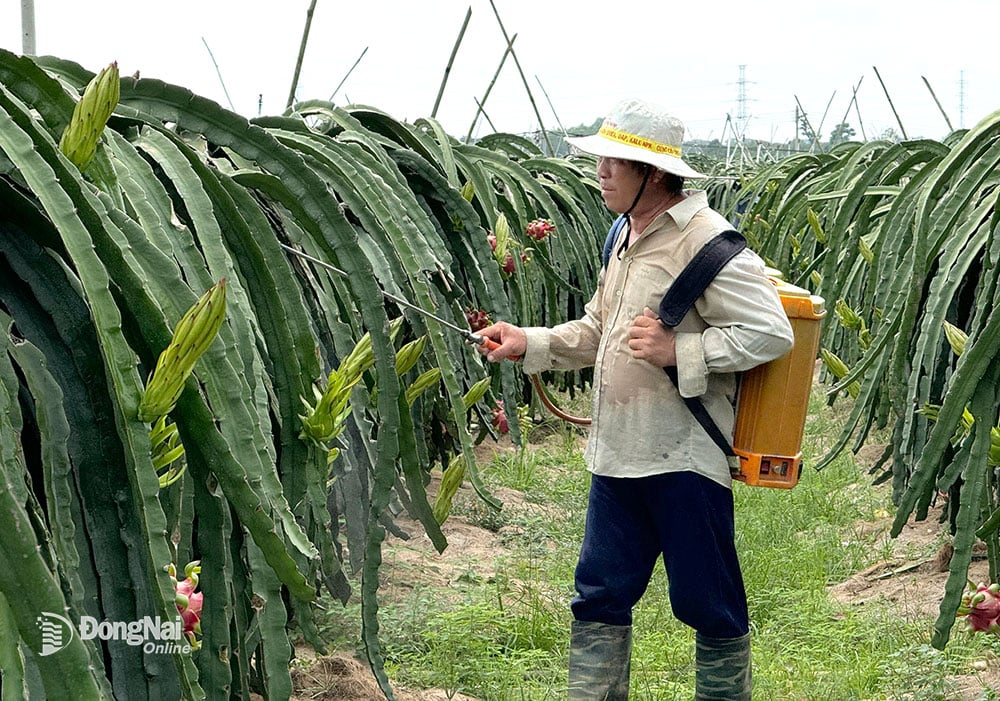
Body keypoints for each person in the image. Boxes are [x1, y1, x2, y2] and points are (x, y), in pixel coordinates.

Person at [477, 99, 794, 700]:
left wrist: (683, 350)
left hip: (684, 457)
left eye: (612, 162)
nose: (600, 172)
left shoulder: (708, 243)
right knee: (599, 596)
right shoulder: (623, 235)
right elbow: (600, 329)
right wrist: (529, 342)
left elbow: (772, 332)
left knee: (710, 604)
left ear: (653, 173)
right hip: (616, 455)